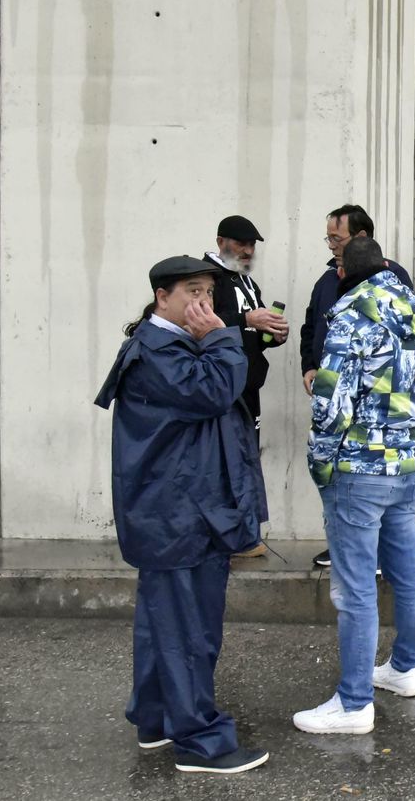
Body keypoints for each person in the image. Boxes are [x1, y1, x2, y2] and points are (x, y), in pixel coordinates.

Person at [92, 256, 268, 775]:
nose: (204, 304)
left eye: (209, 293)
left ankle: (155, 720)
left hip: (180, 508)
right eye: (193, 292)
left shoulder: (170, 344)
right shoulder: (157, 351)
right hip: (178, 514)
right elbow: (216, 391)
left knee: (162, 624)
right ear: (162, 297)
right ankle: (200, 741)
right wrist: (222, 337)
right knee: (190, 630)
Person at [295, 237, 415, 736]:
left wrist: (320, 463)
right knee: (406, 569)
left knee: (355, 587)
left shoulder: (351, 314)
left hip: (359, 469)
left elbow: (330, 403)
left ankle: (354, 704)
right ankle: (405, 668)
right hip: (407, 463)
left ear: (342, 272)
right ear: (385, 266)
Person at [298, 204, 414, 569]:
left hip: (373, 413)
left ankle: (368, 556)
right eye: (328, 238)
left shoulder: (391, 279)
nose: (332, 246)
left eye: (337, 238)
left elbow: (405, 345)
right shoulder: (327, 280)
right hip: (332, 392)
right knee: (340, 486)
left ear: (361, 237)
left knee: (360, 489)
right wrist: (310, 365)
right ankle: (342, 547)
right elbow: (311, 326)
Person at [203, 215, 286, 557]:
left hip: (248, 387)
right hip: (223, 389)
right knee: (225, 462)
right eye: (241, 244)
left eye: (252, 245)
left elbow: (251, 336)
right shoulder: (207, 279)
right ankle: (228, 538)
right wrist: (248, 319)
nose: (248, 251)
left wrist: (272, 334)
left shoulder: (247, 282)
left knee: (246, 460)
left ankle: (244, 535)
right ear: (221, 241)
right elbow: (203, 326)